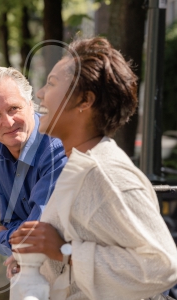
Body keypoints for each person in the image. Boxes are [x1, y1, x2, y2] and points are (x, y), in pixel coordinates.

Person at [9, 37, 177, 299]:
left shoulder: (106, 173)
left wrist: (64, 250)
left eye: (51, 84)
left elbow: (162, 266)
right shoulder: (81, 166)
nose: (40, 93)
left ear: (84, 101)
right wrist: (36, 261)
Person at [0, 67, 67, 263]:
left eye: (14, 108)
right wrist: (17, 239)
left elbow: (36, 239)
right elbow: (10, 221)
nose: (8, 122)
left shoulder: (57, 149)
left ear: (31, 105)